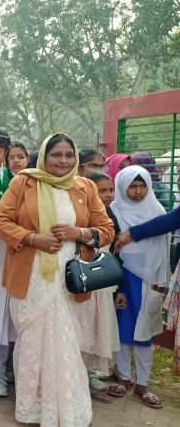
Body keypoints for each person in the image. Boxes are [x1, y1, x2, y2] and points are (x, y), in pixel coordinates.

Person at [0, 133, 114, 426]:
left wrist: (79, 233)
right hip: (31, 274)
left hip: (70, 276)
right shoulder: (23, 182)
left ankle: (66, 406)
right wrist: (33, 238)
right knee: (34, 339)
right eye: (56, 154)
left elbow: (106, 229)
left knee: (66, 340)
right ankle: (33, 407)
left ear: (76, 159)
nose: (63, 161)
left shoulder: (85, 186)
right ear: (44, 156)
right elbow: (0, 221)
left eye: (69, 155)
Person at [109, 166, 170, 409]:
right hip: (123, 277)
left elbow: (163, 251)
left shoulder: (157, 211)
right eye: (132, 186)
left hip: (150, 279)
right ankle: (123, 378)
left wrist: (161, 282)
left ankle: (143, 383)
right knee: (123, 328)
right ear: (121, 187)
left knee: (146, 331)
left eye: (143, 186)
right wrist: (118, 287)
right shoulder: (114, 211)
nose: (138, 191)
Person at [76, 171, 126, 403]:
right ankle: (77, 375)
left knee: (96, 326)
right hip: (82, 281)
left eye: (110, 190)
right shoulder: (79, 213)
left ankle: (90, 373)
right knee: (80, 327)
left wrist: (120, 288)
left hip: (103, 284)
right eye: (101, 191)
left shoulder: (109, 215)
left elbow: (115, 252)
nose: (107, 195)